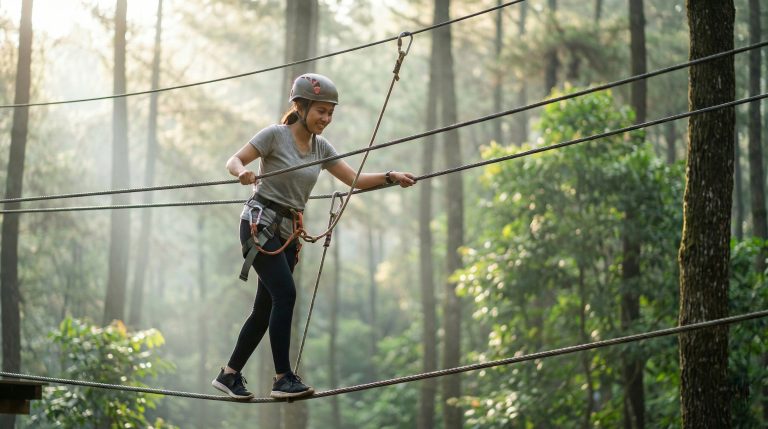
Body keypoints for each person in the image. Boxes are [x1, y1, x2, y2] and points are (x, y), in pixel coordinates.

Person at [212, 73, 416, 400]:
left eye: (330, 113)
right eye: (321, 111)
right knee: (286, 295)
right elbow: (233, 160)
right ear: (301, 106)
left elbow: (355, 179)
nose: (326, 119)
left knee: (265, 309)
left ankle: (229, 374)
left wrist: (391, 176)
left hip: (287, 234)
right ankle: (282, 378)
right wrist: (243, 172)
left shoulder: (321, 148)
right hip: (259, 223)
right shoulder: (274, 136)